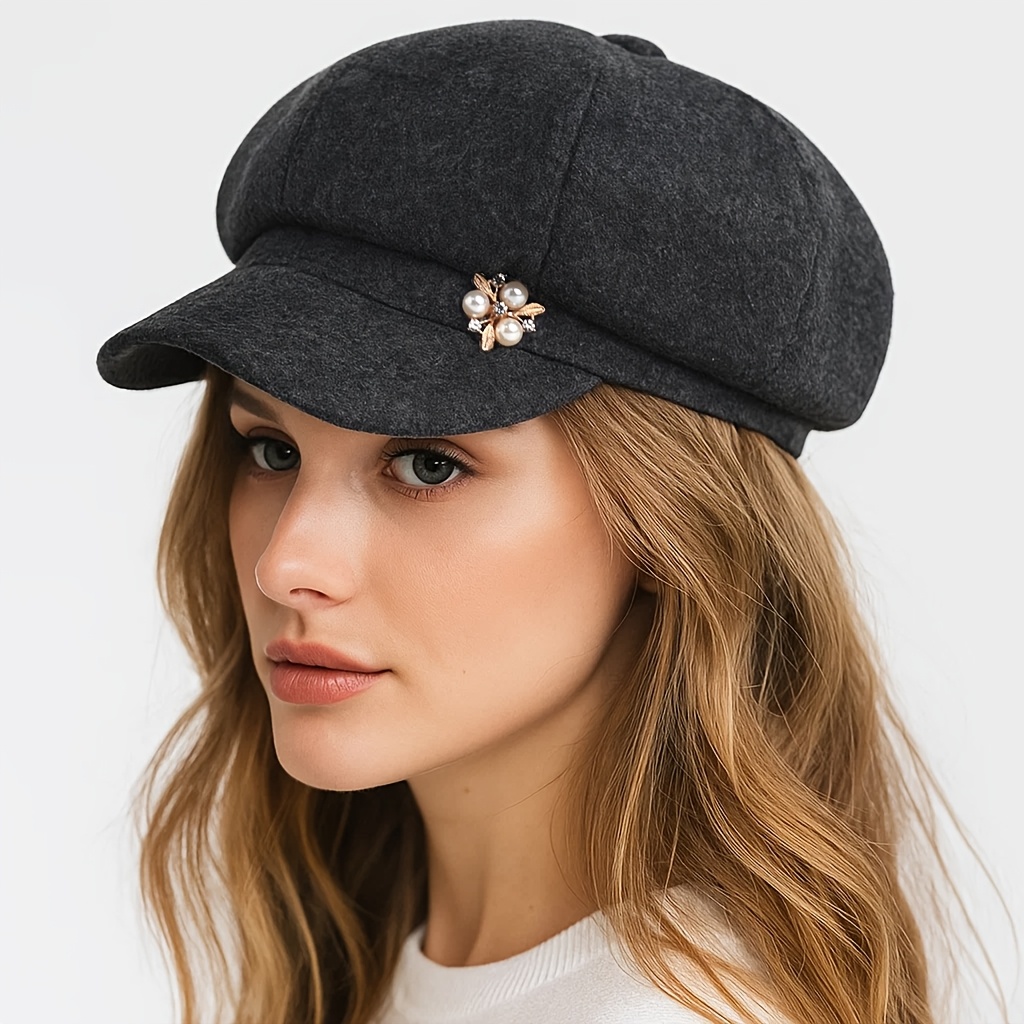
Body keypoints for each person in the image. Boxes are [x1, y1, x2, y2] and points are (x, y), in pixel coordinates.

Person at [93, 19, 1006, 1024]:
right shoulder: (369, 970)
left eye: (428, 464)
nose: (286, 563)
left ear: (669, 529)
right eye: (271, 451)